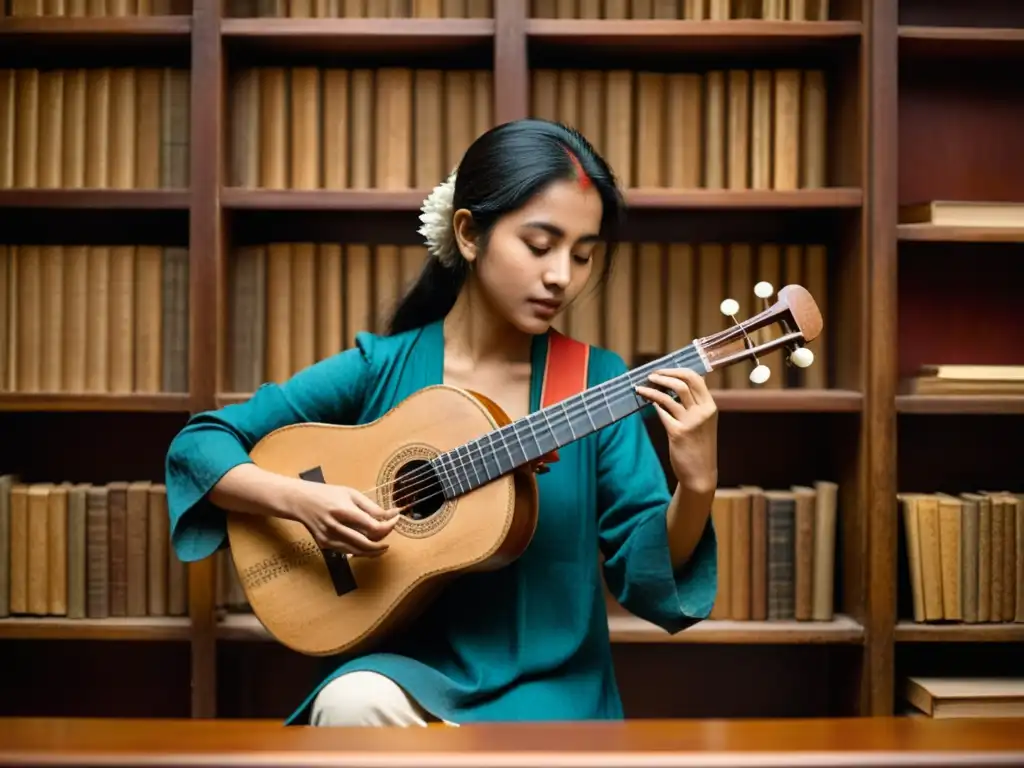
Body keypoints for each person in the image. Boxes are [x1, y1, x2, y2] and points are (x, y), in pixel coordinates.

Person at [164, 118, 719, 728]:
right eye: (540, 246)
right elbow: (201, 444)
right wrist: (302, 501)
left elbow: (645, 574)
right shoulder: (383, 365)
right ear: (469, 233)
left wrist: (695, 486)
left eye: (582, 255)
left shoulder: (594, 383)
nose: (562, 276)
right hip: (408, 670)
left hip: (550, 688)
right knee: (350, 703)